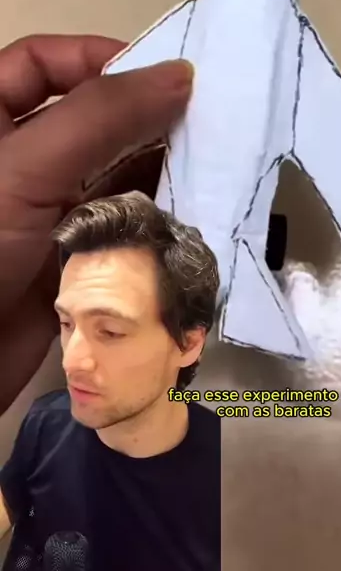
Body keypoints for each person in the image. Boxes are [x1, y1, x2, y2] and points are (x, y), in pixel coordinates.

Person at [0, 32, 221, 568]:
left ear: (188, 342)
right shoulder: (50, 420)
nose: (72, 360)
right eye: (66, 324)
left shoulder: (217, 459)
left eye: (111, 330)